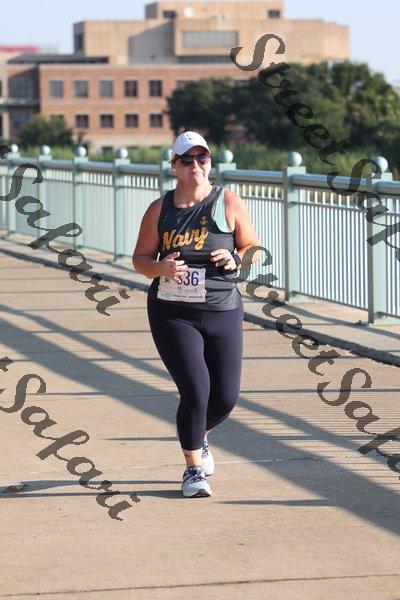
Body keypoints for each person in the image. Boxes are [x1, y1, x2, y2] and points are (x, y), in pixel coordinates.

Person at [132, 131, 261, 498]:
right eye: (186, 160)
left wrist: (235, 258)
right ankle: (192, 470)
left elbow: (253, 248)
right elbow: (140, 259)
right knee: (195, 389)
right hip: (173, 312)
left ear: (209, 162)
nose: (195, 165)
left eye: (201, 158)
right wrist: (161, 268)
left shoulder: (228, 201)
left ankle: (197, 436)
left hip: (223, 308)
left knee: (225, 398)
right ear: (174, 166)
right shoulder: (160, 209)